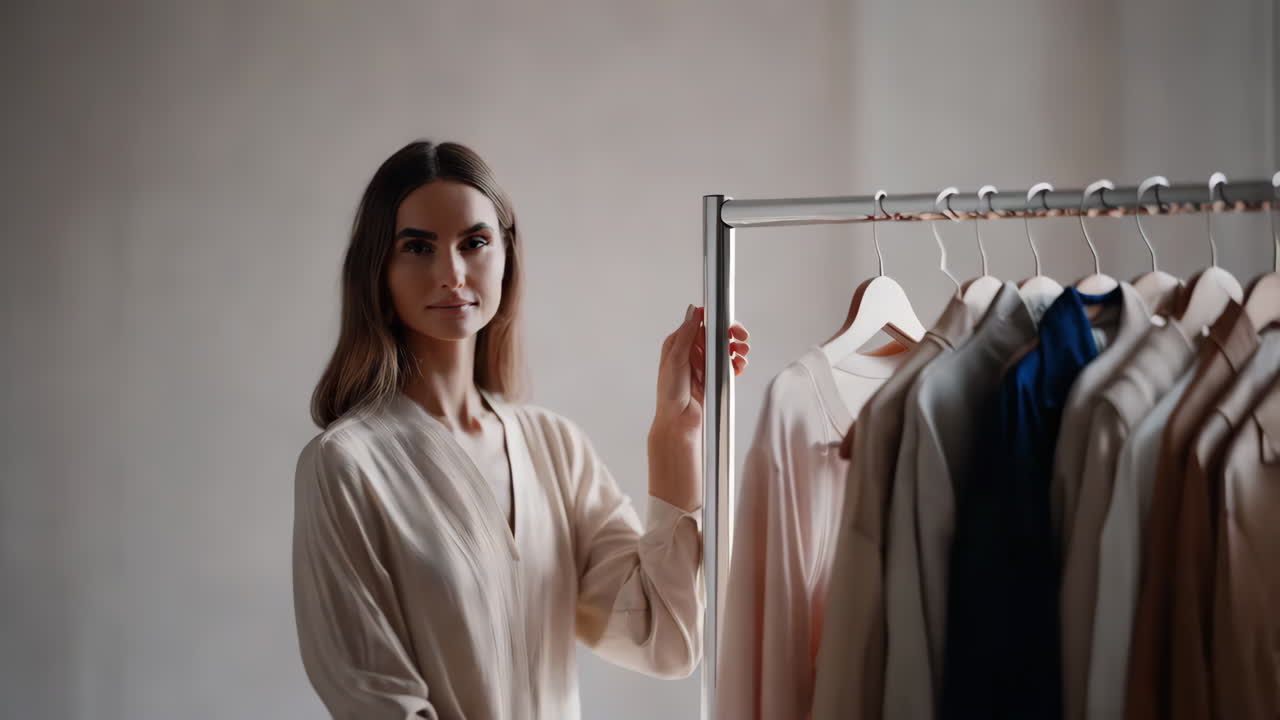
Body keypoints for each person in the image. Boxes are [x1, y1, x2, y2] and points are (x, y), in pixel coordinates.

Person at [291, 139, 750, 719]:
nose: (452, 273)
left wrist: (677, 432)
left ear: (506, 255)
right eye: (418, 247)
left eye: (474, 242)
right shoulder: (345, 465)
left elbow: (665, 640)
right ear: (378, 269)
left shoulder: (553, 448)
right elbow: (377, 700)